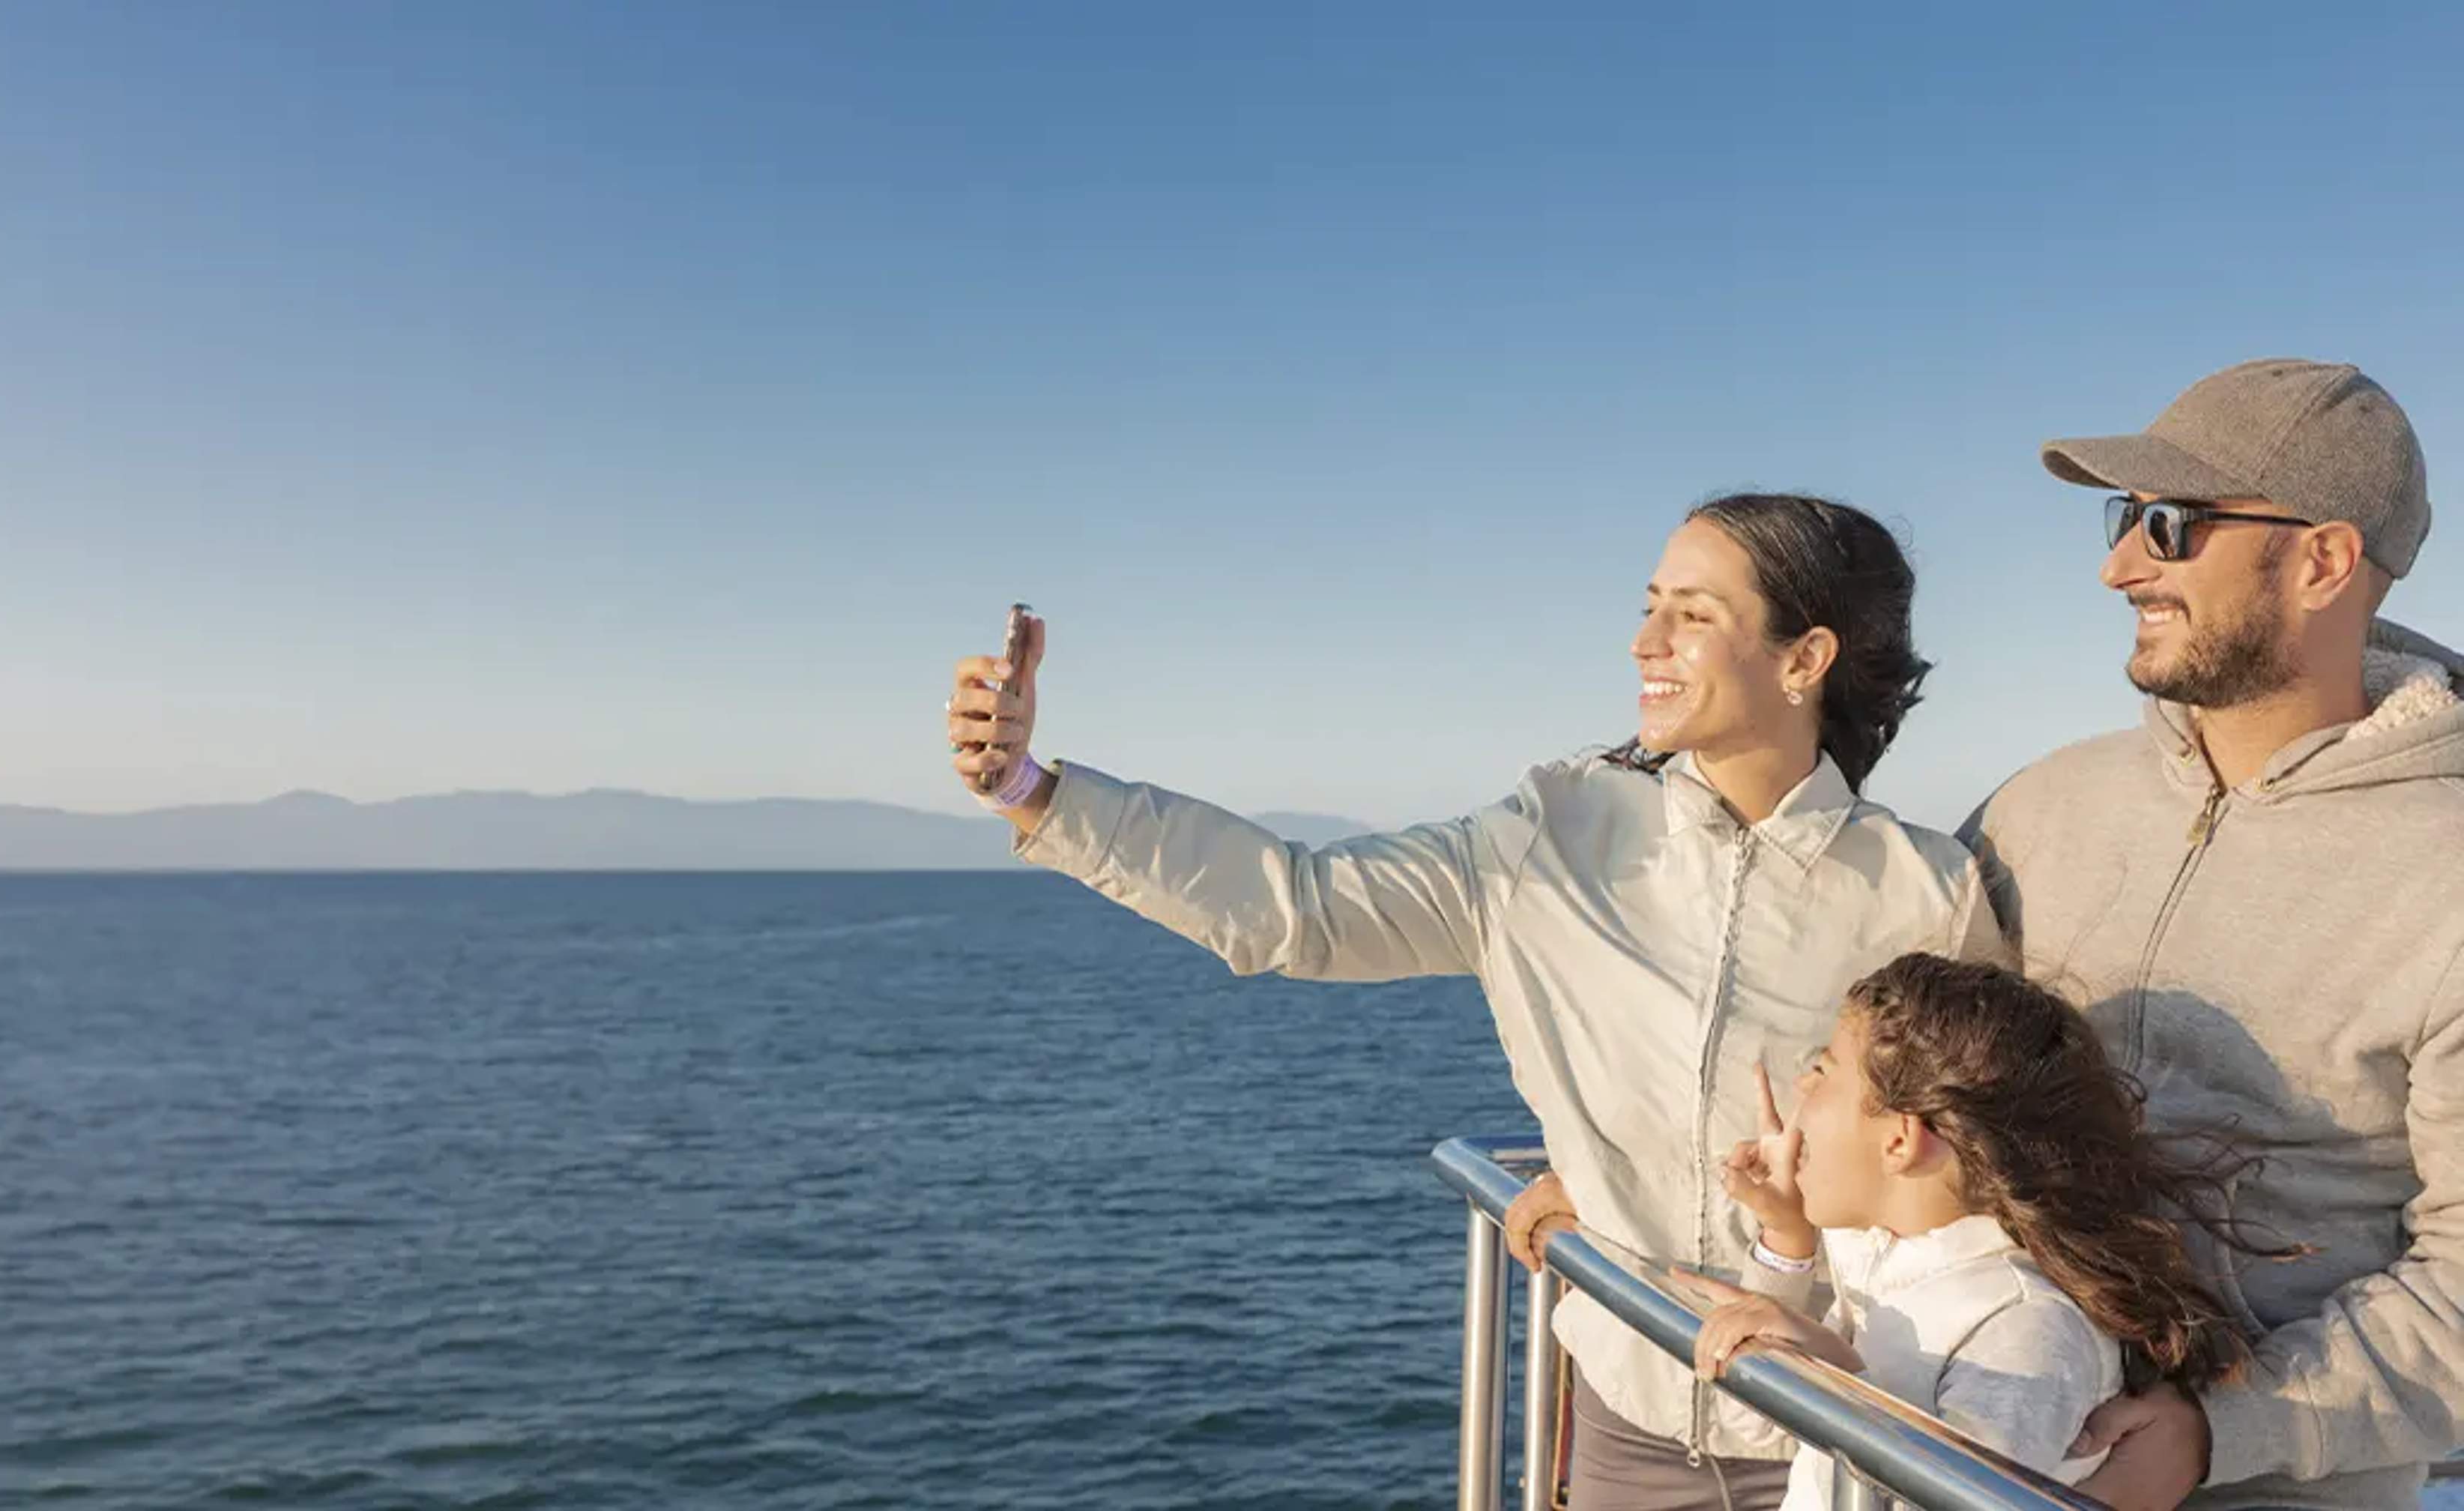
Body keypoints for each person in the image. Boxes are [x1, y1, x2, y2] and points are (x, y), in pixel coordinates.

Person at [943, 493, 2000, 1511]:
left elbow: (1989, 1175)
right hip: (1628, 1420)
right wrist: (1038, 792)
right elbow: (1296, 907)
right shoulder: (1555, 832)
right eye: (1649, 605)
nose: (1646, 641)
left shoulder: (1925, 891)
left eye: (1693, 614)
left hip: (1850, 1419)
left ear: (1804, 659)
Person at [1961, 359, 2464, 1510]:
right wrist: (1639, 1189)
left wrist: (2219, 1432)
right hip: (1976, 1446)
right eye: (2124, 519)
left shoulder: (2449, 872)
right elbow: (1879, 1057)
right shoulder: (2036, 809)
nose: (2118, 563)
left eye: (2170, 525)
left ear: (2323, 561)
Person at [1686, 953, 2277, 1511]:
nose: (1801, 1091)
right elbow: (1750, 1423)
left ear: (1900, 1140)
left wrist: (1835, 1377)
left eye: (1823, 1072)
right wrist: (1787, 1242)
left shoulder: (2027, 1331)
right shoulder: (1873, 1253)